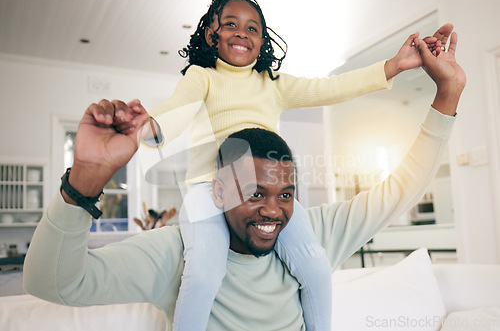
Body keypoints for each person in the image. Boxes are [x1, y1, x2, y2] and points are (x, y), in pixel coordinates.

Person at [23, 30, 465, 331]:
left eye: (285, 193)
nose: (273, 210)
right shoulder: (178, 253)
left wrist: (448, 93)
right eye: (255, 193)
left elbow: (403, 186)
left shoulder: (312, 235)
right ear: (218, 192)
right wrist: (84, 179)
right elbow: (52, 284)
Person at [142, 0, 454, 330]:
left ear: (262, 41)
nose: (242, 33)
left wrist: (394, 66)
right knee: (203, 273)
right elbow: (175, 112)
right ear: (210, 34)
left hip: (265, 191)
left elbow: (331, 88)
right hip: (209, 190)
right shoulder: (201, 76)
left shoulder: (272, 83)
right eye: (230, 24)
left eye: (252, 28)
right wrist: (146, 128)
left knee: (316, 269)